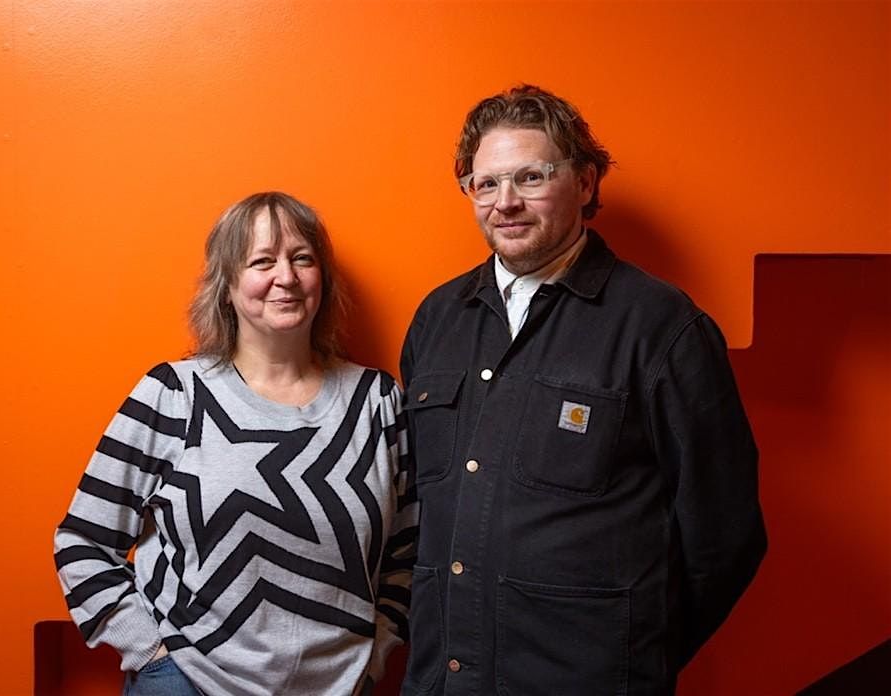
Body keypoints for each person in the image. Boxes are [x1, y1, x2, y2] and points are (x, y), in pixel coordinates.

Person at [400, 85, 766, 695]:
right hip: (445, 680)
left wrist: (630, 653)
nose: (505, 202)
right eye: (485, 184)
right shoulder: (437, 318)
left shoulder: (662, 326)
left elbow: (724, 536)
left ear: (585, 181)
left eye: (531, 178)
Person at [54, 192, 417, 696]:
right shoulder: (173, 395)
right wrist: (152, 658)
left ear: (323, 279)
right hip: (187, 684)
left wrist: (376, 655)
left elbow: (410, 550)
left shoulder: (378, 401)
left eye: (302, 258)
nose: (286, 277)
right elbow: (82, 540)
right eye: (262, 261)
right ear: (225, 286)